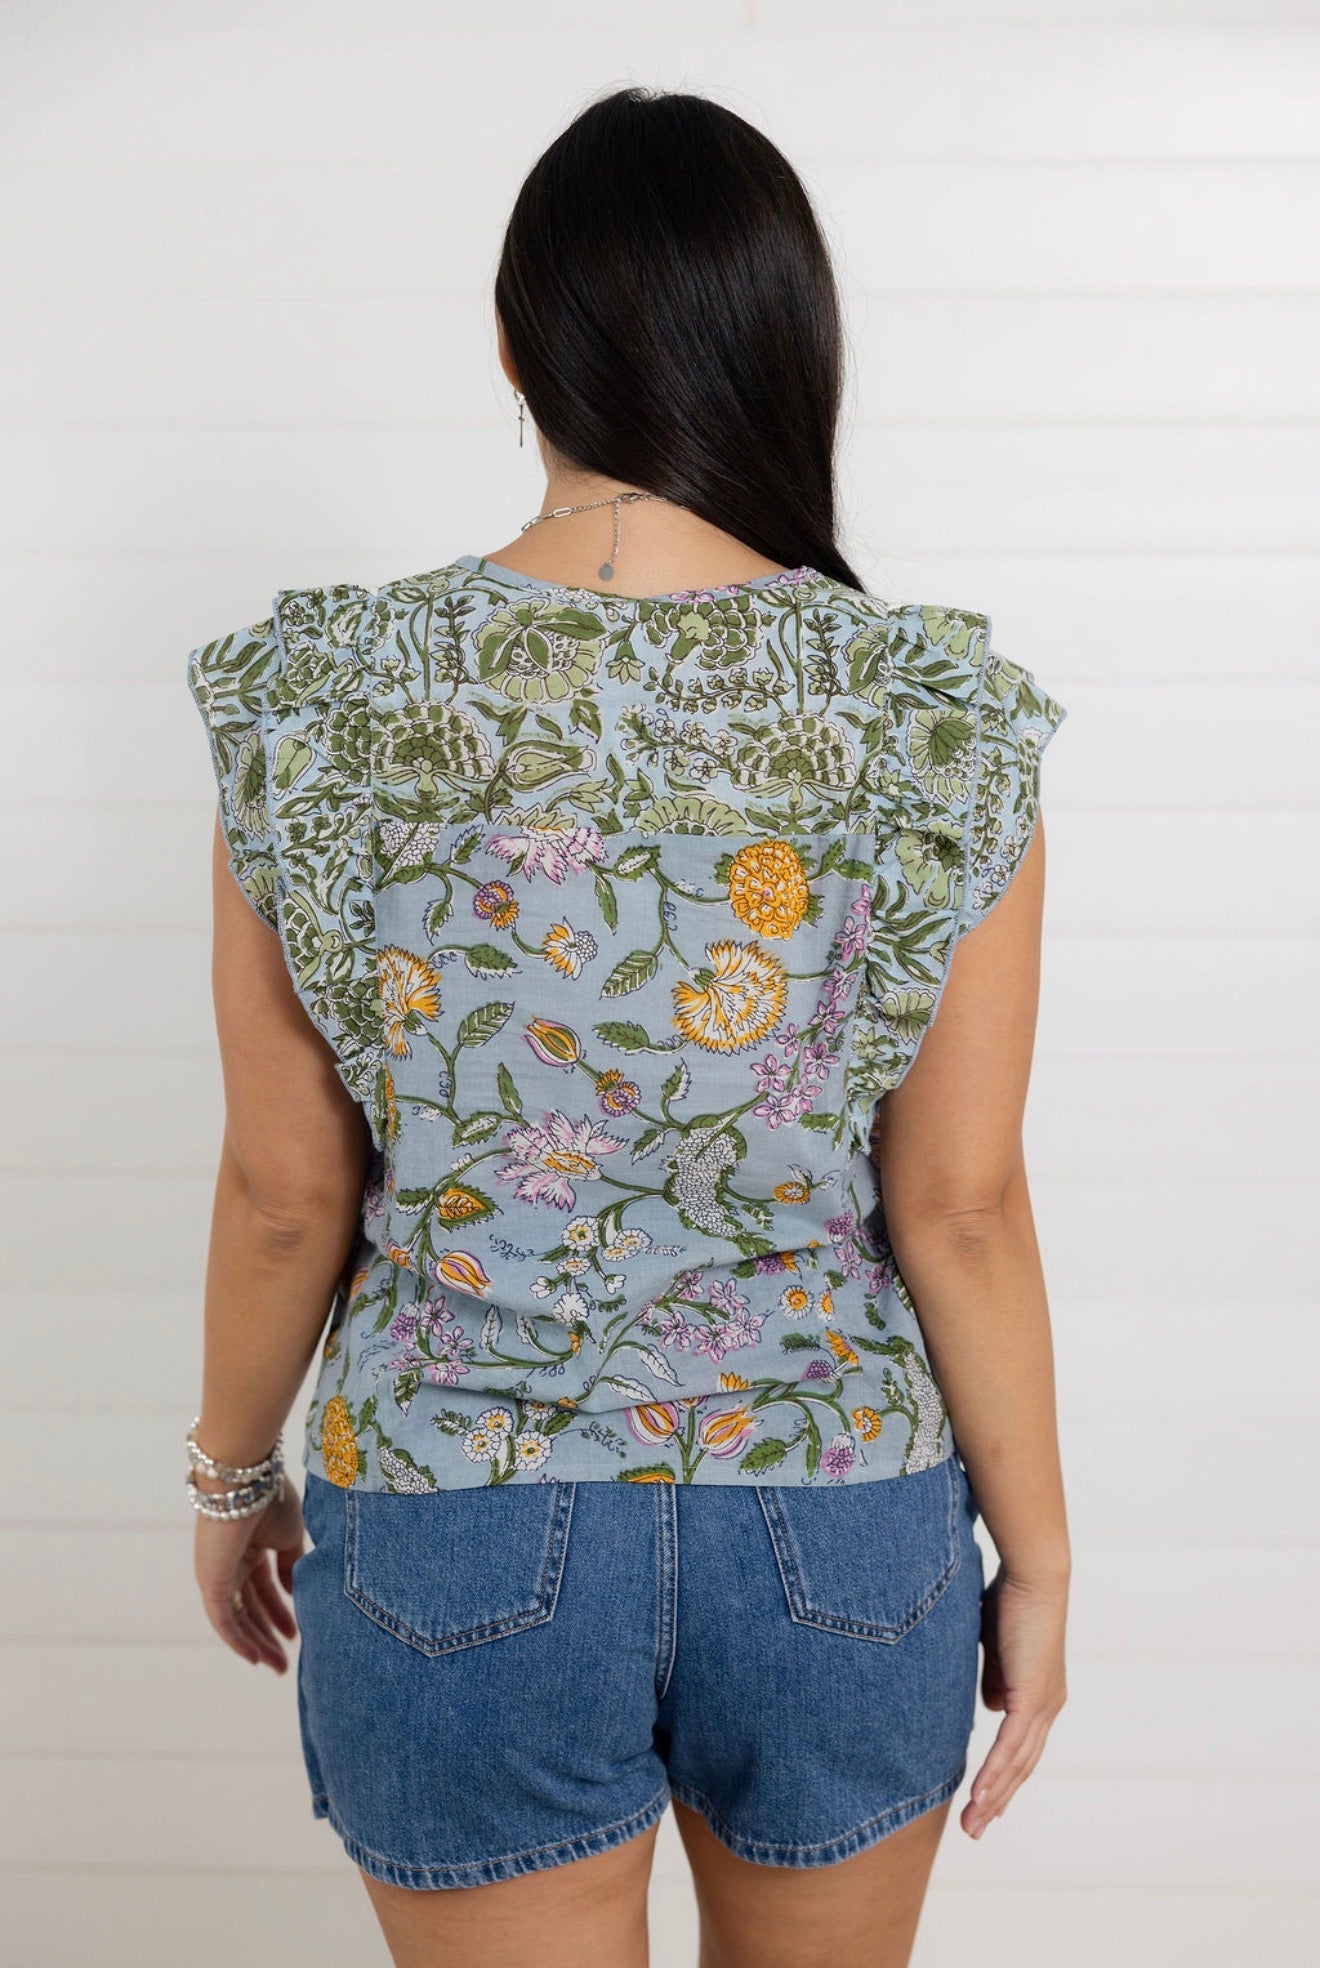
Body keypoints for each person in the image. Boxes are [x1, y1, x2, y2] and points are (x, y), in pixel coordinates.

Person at [183, 84, 1070, 1968]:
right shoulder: (932, 715)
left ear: (516, 350)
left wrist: (232, 1475)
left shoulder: (320, 699)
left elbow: (284, 1197)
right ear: (790, 348)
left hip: (454, 1521)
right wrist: (1044, 1557)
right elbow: (965, 1206)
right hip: (839, 1525)